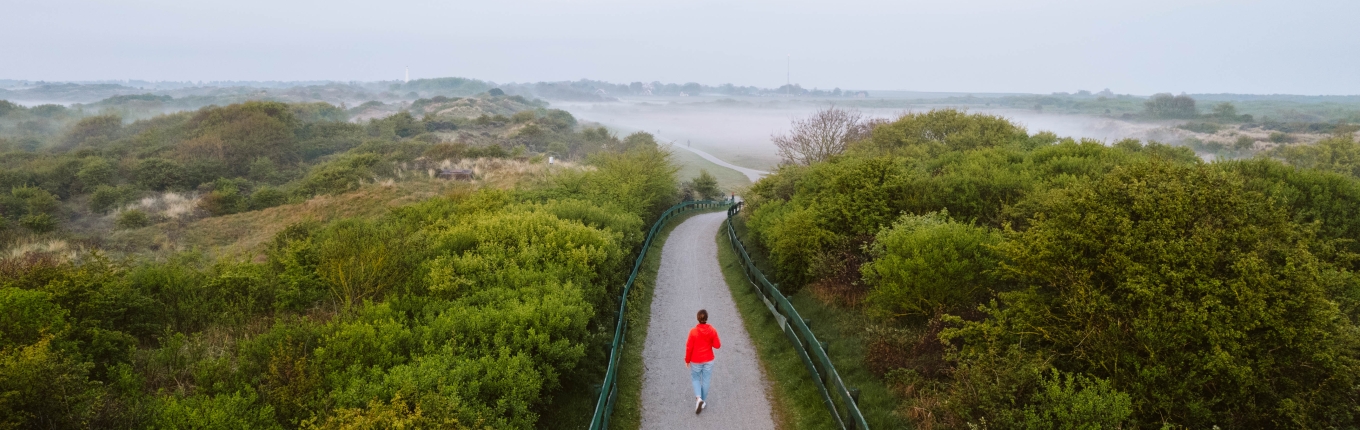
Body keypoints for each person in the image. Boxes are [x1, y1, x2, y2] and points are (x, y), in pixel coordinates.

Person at [685, 309, 721, 414]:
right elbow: (717, 345)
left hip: (696, 360)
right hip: (709, 360)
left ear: (697, 319)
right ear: (706, 318)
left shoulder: (693, 332)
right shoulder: (712, 330)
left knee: (695, 378)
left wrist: (687, 360)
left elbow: (689, 347)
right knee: (706, 381)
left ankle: (699, 399)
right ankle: (702, 401)